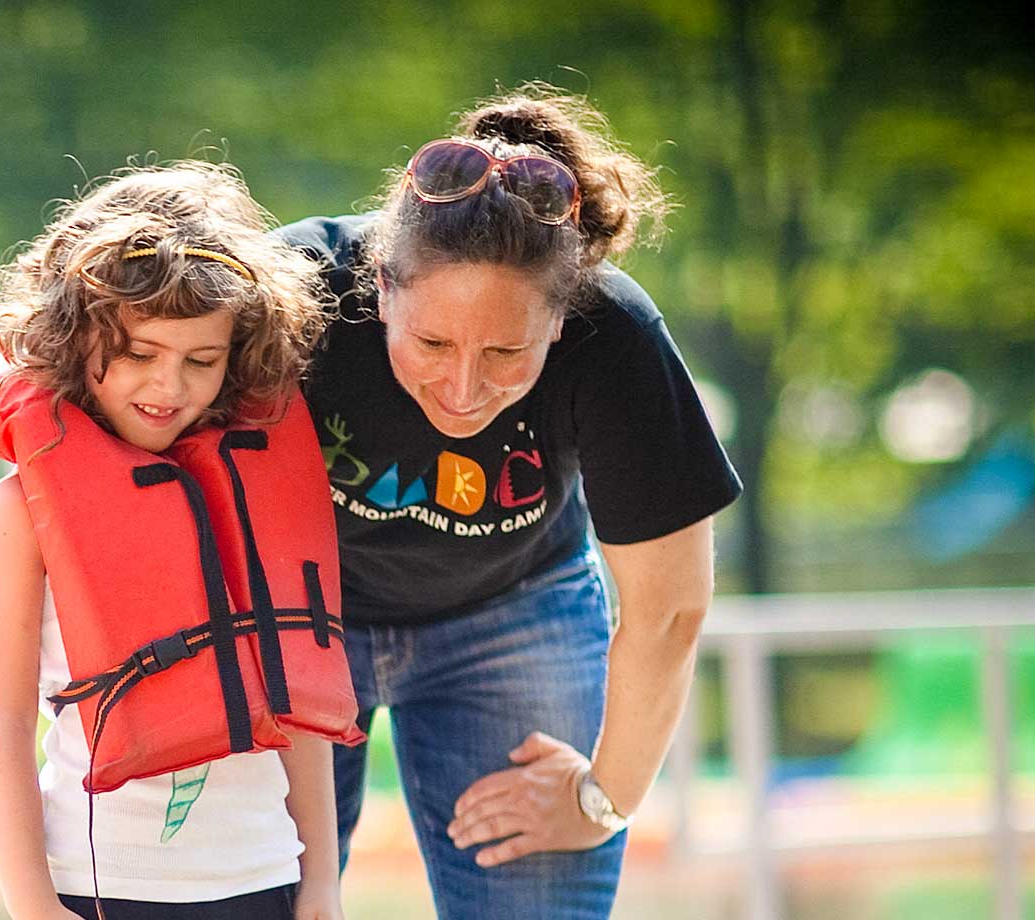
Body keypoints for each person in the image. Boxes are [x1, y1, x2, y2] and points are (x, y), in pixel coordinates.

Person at [274, 86, 740, 918]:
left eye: (505, 351)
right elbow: (114, 380)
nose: (462, 388)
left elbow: (669, 614)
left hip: (511, 612)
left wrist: (603, 798)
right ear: (381, 288)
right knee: (256, 899)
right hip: (297, 615)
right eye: (431, 343)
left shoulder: (617, 338)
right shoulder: (287, 294)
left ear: (562, 318)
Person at [0, 162, 349, 920]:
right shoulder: (17, 515)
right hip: (100, 889)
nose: (169, 388)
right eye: (139, 355)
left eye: (201, 362)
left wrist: (322, 884)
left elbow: (293, 685)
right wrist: (34, 907)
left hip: (267, 876)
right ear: (73, 341)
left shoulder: (260, 494)